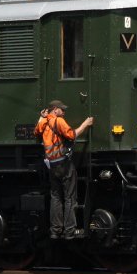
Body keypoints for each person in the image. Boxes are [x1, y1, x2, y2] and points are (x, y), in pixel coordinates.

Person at [35, 100, 93, 240]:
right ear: (55, 109)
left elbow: (36, 132)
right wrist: (86, 124)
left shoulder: (43, 122)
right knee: (70, 197)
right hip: (63, 164)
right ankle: (69, 231)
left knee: (55, 197)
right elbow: (72, 135)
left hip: (51, 165)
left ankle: (55, 231)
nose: (64, 112)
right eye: (62, 109)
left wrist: (41, 116)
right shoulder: (58, 121)